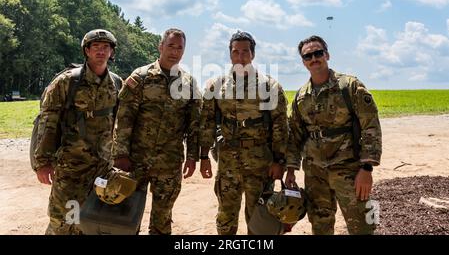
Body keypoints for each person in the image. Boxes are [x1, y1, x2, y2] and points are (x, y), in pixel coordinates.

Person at [285, 35, 382, 235]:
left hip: (349, 171)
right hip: (315, 174)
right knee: (320, 227)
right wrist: (291, 169)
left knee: (362, 226)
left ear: (327, 55)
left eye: (318, 53)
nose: (314, 58)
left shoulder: (350, 86)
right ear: (303, 62)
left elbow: (370, 126)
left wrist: (367, 168)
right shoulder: (301, 97)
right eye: (308, 56)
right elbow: (294, 135)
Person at [112, 28, 202, 235]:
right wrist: (120, 155)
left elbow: (193, 125)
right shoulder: (141, 77)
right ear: (160, 46)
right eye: (171, 46)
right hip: (135, 160)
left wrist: (192, 157)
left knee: (162, 220)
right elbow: (124, 118)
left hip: (169, 164)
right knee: (125, 215)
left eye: (180, 48)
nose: (175, 52)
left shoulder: (188, 84)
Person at [199, 30, 289, 235]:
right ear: (230, 54)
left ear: (253, 54)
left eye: (245, 52)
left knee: (259, 218)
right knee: (225, 216)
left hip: (260, 164)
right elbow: (207, 123)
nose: (240, 57)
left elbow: (280, 127)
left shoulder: (270, 87)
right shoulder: (216, 86)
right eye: (235, 52)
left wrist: (280, 161)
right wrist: (203, 156)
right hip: (228, 162)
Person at [34, 29, 122, 235]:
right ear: (87, 51)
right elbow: (48, 122)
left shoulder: (116, 83)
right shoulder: (67, 82)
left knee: (92, 221)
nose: (101, 51)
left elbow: (119, 123)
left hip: (101, 168)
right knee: (63, 221)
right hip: (70, 167)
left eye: (106, 47)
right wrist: (42, 162)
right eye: (96, 47)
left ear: (111, 52)